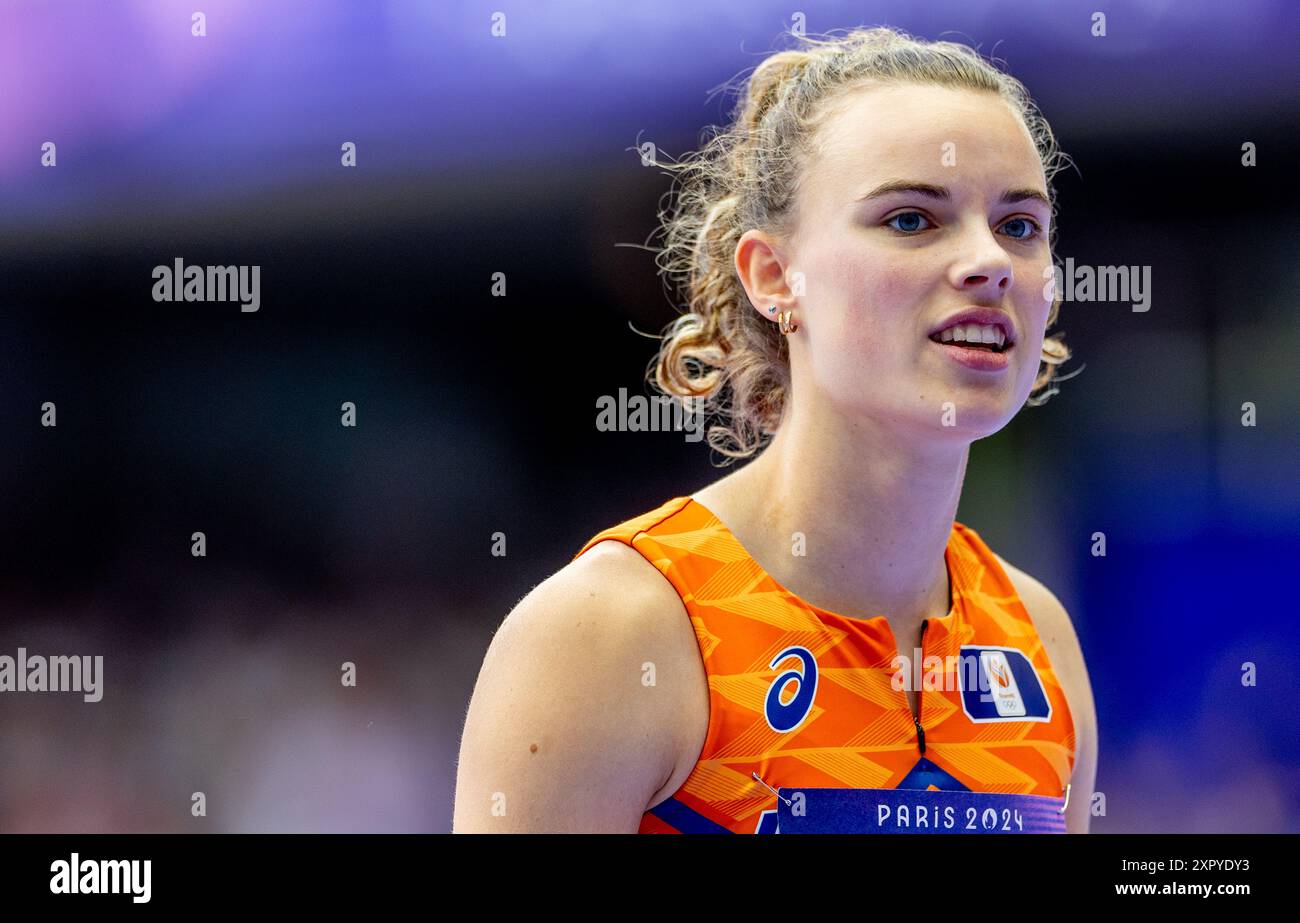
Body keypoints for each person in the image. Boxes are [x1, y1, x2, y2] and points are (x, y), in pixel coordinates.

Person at [453, 25, 1097, 834]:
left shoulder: (1037, 638)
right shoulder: (614, 634)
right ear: (772, 276)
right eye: (910, 220)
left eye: (1020, 225)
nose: (988, 261)